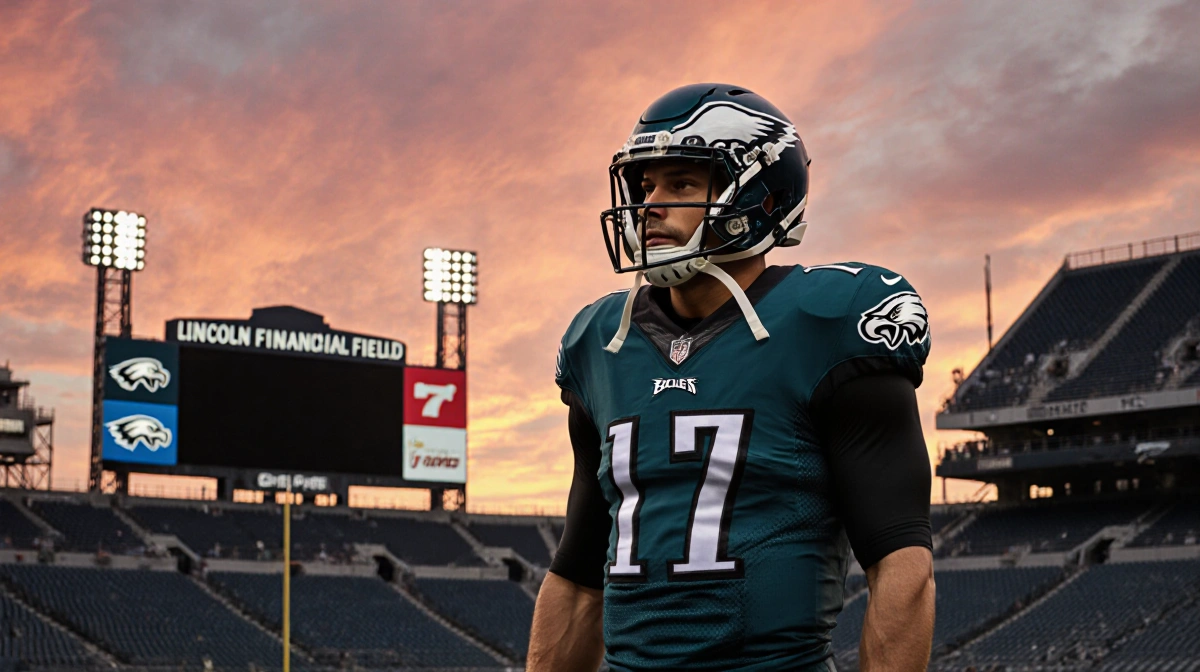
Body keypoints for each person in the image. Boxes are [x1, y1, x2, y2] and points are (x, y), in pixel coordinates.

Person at [527, 84, 935, 671]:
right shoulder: (601, 343)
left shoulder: (828, 322)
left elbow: (901, 564)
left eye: (681, 184)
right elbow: (577, 577)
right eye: (645, 186)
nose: (650, 206)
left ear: (760, 196)